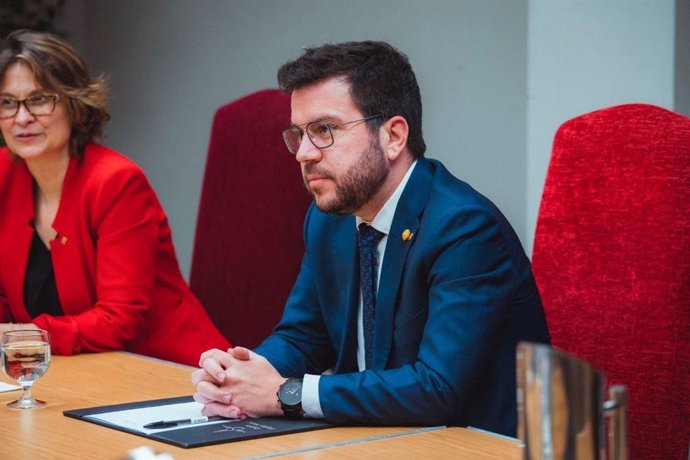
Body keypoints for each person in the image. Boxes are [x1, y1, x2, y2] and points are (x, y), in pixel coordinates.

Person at [192, 41, 550, 435]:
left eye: (324, 130)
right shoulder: (328, 220)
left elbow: (437, 388)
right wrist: (240, 376)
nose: (304, 154)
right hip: (373, 438)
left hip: (467, 444)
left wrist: (286, 394)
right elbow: (303, 336)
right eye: (298, 134)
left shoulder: (464, 227)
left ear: (393, 136)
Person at [0, 30, 230, 367]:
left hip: (167, 372)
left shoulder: (115, 182)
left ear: (75, 107)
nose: (21, 118)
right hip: (69, 371)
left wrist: (19, 338)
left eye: (39, 99)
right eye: (8, 102)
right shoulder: (4, 174)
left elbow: (118, 321)